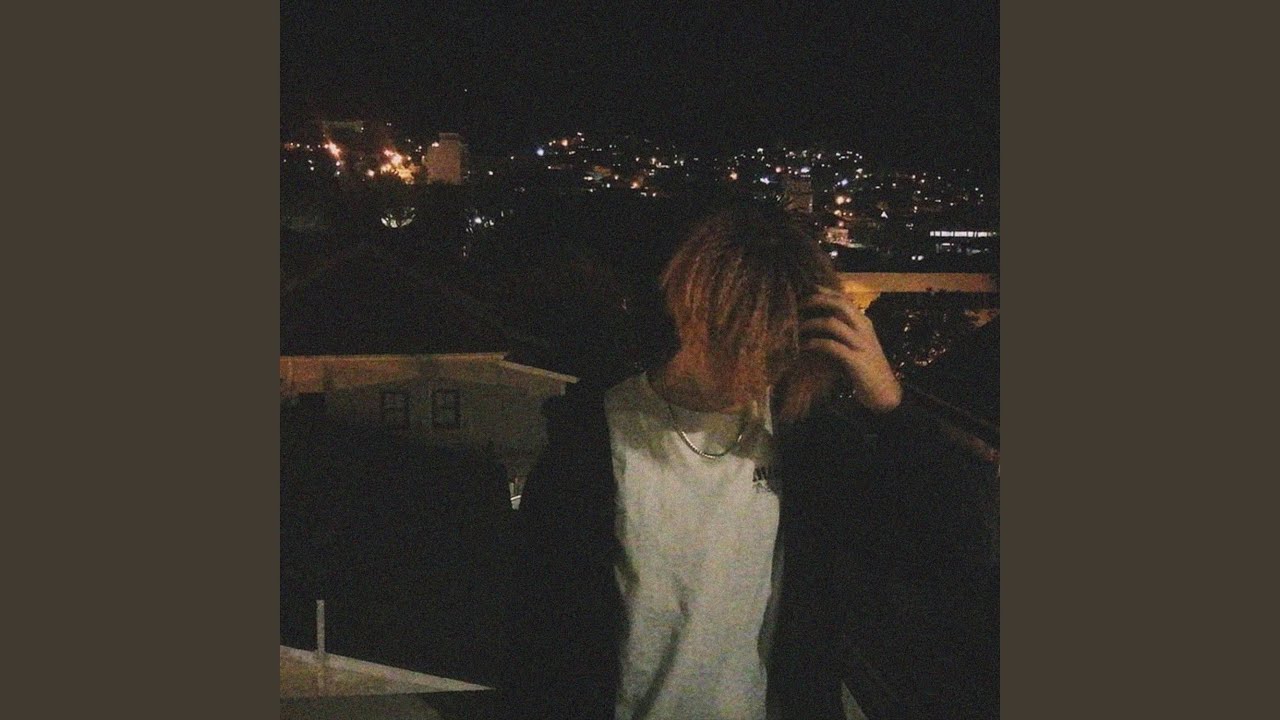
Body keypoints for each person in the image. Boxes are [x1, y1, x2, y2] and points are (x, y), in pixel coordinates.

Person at [507, 202, 999, 720]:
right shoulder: (590, 445)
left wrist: (891, 405)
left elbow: (954, 544)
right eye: (747, 344)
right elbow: (540, 636)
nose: (762, 369)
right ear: (695, 313)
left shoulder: (806, 443)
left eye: (782, 350)